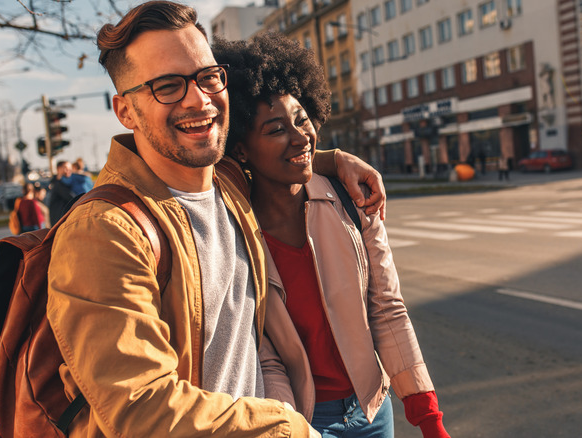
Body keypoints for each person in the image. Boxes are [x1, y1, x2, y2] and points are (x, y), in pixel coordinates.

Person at [46, 2, 385, 436]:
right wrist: (288, 428)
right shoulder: (104, 232)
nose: (199, 99)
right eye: (168, 86)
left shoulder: (227, 181)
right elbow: (140, 410)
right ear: (125, 111)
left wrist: (334, 160)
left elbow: (278, 155)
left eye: (207, 77)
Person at [212, 34, 450, 438]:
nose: (300, 136)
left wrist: (428, 418)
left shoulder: (351, 198)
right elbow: (260, 352)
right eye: (275, 129)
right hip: (301, 419)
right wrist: (291, 427)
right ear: (240, 150)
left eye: (302, 119)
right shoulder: (232, 231)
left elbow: (387, 310)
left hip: (372, 410)